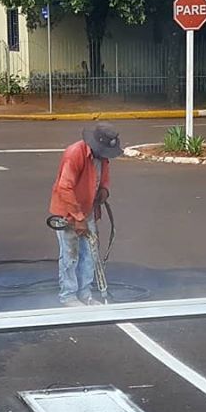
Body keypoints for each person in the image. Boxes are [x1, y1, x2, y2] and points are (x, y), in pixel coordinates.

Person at [49, 122, 123, 306]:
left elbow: (104, 178)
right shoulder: (75, 154)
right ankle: (68, 296)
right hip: (68, 212)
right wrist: (78, 218)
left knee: (90, 254)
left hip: (88, 209)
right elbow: (64, 188)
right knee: (70, 255)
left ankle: (85, 293)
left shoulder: (102, 157)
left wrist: (104, 191)